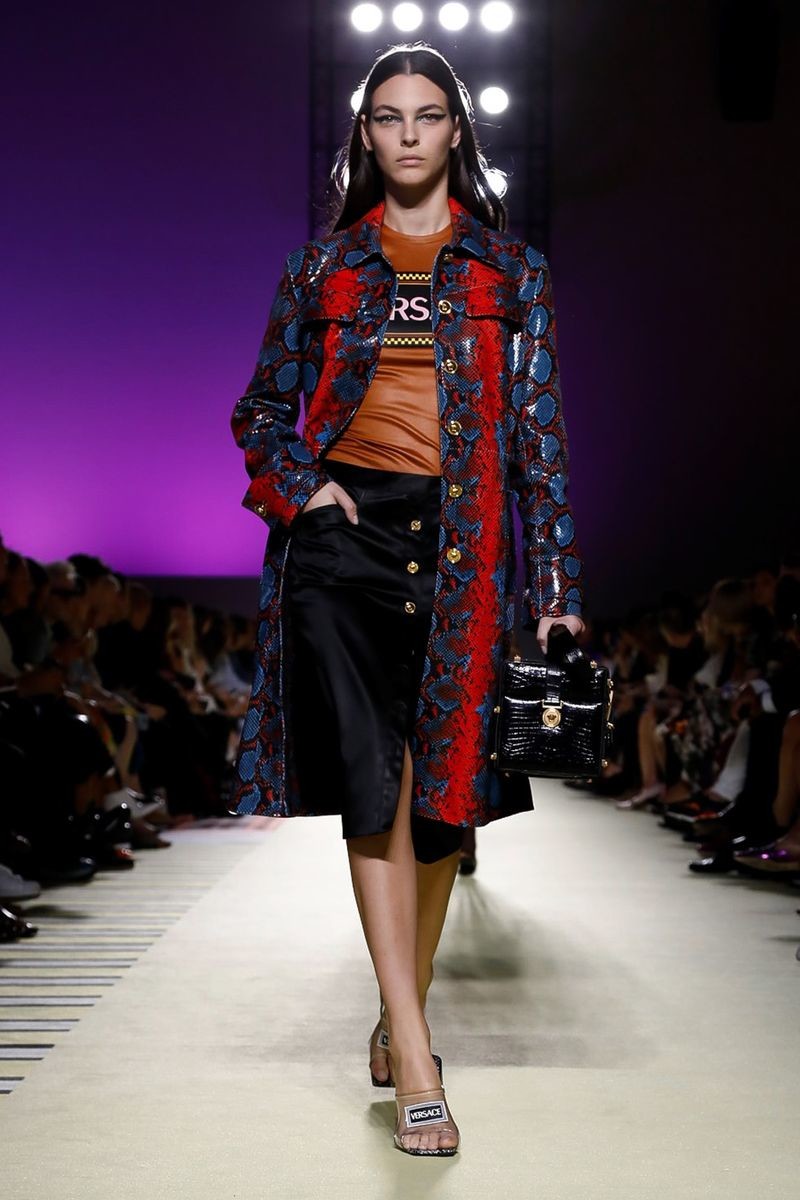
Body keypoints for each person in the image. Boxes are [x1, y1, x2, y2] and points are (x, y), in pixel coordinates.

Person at [229, 43, 586, 1157]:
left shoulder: (510, 272)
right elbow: (259, 413)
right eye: (388, 117)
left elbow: (537, 438)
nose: (409, 135)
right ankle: (419, 1054)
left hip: (466, 541)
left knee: (443, 799)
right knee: (373, 788)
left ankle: (400, 1005)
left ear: (455, 132)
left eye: (428, 116)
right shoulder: (319, 271)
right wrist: (305, 492)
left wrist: (557, 587)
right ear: (366, 136)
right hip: (345, 545)